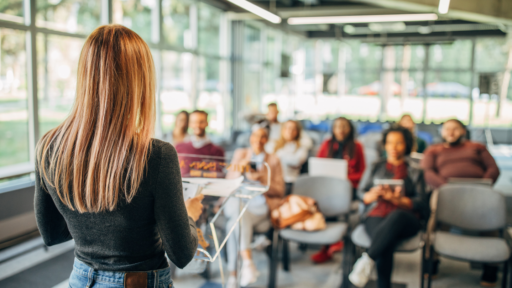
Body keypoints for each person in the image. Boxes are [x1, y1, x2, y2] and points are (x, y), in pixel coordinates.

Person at [34, 25, 204, 288]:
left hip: (80, 279)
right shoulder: (156, 155)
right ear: (140, 82)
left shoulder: (48, 147)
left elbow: (52, 234)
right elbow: (181, 254)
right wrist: (189, 215)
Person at [421, 118, 500, 286]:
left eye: (455, 128)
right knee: (435, 219)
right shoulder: (434, 150)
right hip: (446, 191)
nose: (451, 132)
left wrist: (482, 187)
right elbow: (428, 173)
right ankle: (432, 261)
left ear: (463, 131)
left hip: (479, 191)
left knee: (491, 217)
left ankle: (491, 266)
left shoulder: (477, 147)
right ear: (441, 132)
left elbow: (493, 169)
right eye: (447, 128)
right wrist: (450, 191)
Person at [349, 126, 429, 288]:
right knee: (386, 241)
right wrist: (369, 196)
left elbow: (421, 203)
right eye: (389, 142)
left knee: (395, 218)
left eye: (399, 143)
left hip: (406, 218)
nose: (393, 147)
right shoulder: (375, 166)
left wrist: (398, 200)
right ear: (384, 145)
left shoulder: (415, 171)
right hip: (376, 213)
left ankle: (367, 260)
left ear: (406, 145)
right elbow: (360, 193)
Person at [224, 123, 285, 288]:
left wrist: (261, 179)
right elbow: (228, 183)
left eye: (262, 136)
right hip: (238, 201)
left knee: (234, 224)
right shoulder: (240, 153)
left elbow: (279, 190)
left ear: (267, 139)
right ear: (250, 137)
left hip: (259, 205)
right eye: (255, 136)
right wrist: (240, 167)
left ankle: (233, 276)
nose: (258, 140)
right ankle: (248, 261)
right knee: (237, 209)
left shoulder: (273, 159)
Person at [311, 117, 366, 263]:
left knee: (334, 201)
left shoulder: (357, 147)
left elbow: (363, 174)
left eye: (344, 126)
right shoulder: (327, 145)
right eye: (337, 127)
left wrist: (344, 177)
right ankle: (328, 244)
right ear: (333, 129)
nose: (341, 130)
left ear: (350, 129)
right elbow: (318, 166)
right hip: (327, 188)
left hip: (349, 189)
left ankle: (334, 242)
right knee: (324, 200)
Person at [175, 110, 225, 177]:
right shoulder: (179, 147)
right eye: (194, 122)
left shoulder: (217, 151)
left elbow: (218, 174)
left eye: (201, 122)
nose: (198, 125)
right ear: (190, 124)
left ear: (207, 123)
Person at [266, 120, 309, 195]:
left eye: (293, 129)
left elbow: (296, 161)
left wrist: (277, 155)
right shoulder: (273, 144)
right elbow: (266, 158)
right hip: (273, 180)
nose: (290, 131)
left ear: (297, 132)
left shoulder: (301, 147)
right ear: (282, 129)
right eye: (287, 128)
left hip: (290, 181)